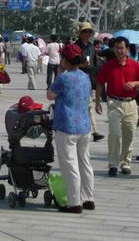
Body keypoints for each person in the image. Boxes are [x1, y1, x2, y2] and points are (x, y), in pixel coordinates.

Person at [47, 43, 95, 214]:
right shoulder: (85, 76)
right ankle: (88, 198)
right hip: (84, 125)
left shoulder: (64, 78)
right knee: (85, 162)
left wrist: (59, 74)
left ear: (65, 60)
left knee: (70, 165)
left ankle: (74, 203)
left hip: (67, 125)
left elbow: (50, 95)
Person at [95, 36, 139, 177]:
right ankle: (113, 164)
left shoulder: (135, 65)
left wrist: (135, 84)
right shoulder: (108, 65)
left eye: (121, 48)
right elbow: (99, 83)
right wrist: (98, 102)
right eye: (116, 47)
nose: (118, 50)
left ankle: (125, 163)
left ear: (127, 49)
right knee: (115, 134)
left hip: (131, 103)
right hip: (114, 103)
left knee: (128, 134)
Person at [74, 22, 104, 142]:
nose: (87, 34)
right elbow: (69, 64)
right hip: (77, 77)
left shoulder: (91, 47)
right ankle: (92, 130)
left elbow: (95, 62)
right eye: (84, 31)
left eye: (89, 32)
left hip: (89, 77)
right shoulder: (75, 46)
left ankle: (93, 130)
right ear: (80, 33)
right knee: (85, 105)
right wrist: (81, 64)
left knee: (88, 105)